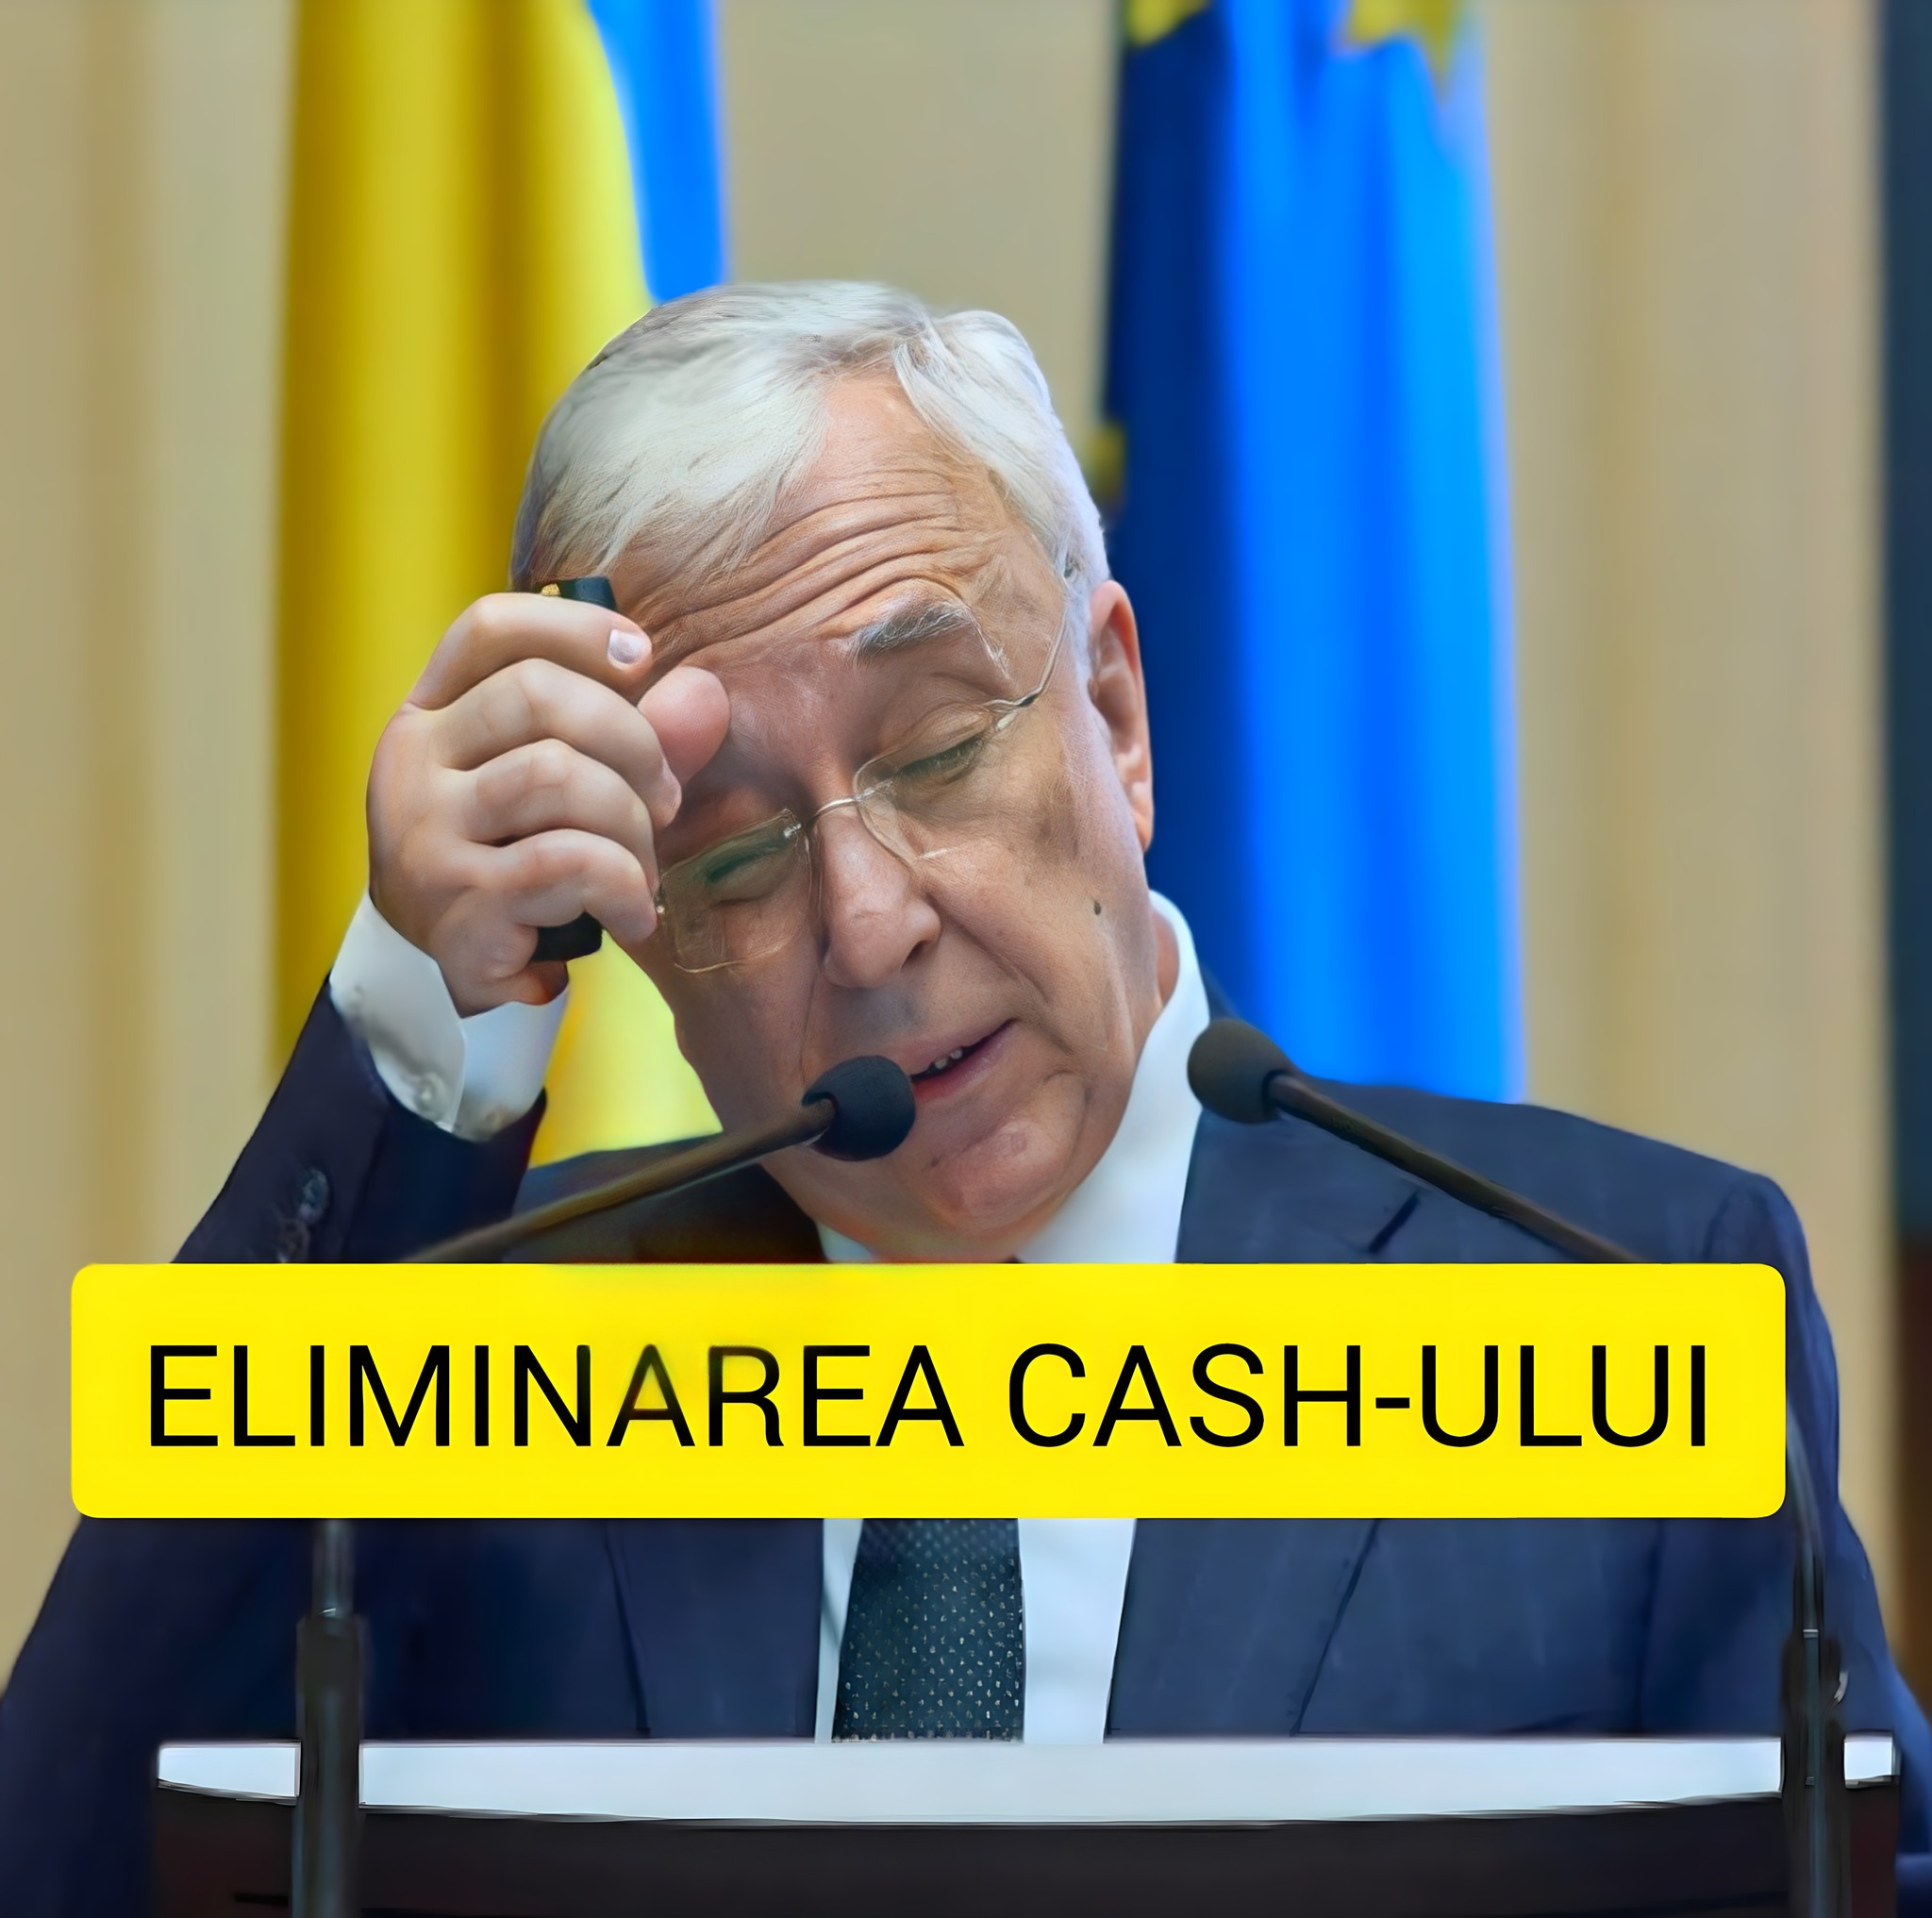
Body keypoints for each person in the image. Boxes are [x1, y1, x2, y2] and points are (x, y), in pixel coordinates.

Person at [1, 282, 1924, 1912]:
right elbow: (70, 1862)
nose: (869, 918)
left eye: (933, 755)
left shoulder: (1611, 1299)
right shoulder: (487, 1369)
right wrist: (425, 1012)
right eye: (732, 854)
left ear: (1116, 713)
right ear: (631, 921)